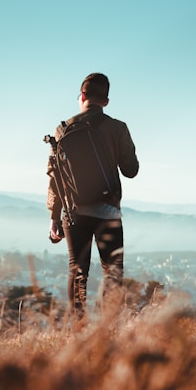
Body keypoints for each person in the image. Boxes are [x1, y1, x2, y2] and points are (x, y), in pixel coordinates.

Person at [46, 73, 139, 320]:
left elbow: (55, 177)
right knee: (113, 272)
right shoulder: (117, 128)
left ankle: (78, 328)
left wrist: (53, 216)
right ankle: (106, 327)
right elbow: (131, 171)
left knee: (77, 271)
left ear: (82, 96)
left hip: (73, 212)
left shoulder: (61, 129)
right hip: (107, 211)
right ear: (106, 102)